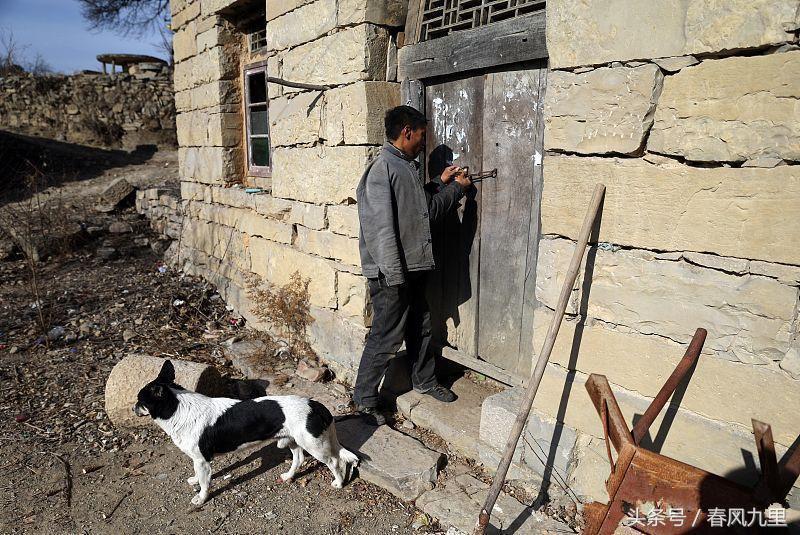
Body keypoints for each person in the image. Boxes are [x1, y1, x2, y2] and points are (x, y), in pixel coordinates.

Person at [353, 105, 472, 425]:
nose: (424, 143)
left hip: (412, 269)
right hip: (394, 275)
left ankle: (424, 380)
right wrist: (457, 190)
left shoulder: (404, 166)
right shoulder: (382, 170)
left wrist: (438, 183)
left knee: (420, 325)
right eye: (421, 136)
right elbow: (380, 231)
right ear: (406, 132)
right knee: (385, 336)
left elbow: (418, 210)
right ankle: (364, 400)